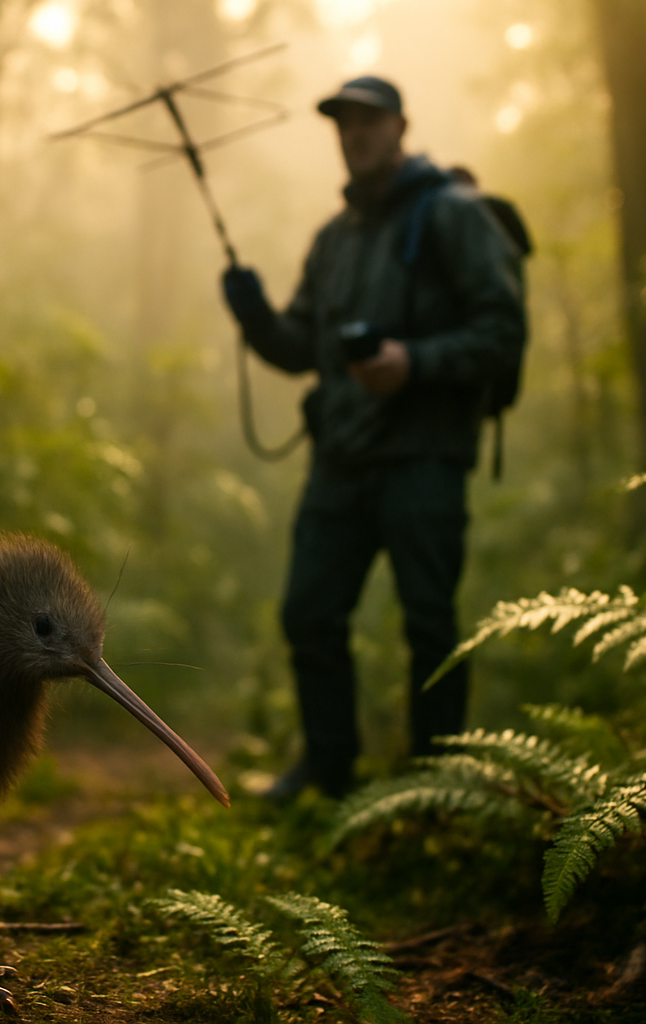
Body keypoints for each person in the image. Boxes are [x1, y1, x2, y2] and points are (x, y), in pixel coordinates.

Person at [220, 76, 526, 800]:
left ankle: (436, 785)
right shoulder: (334, 239)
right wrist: (256, 317)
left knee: (429, 620)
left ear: (400, 126)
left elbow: (502, 331)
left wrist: (414, 362)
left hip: (424, 456)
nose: (354, 133)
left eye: (368, 120)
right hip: (342, 459)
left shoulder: (453, 214)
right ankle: (330, 772)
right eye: (343, 123)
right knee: (308, 612)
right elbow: (302, 347)